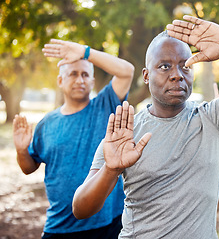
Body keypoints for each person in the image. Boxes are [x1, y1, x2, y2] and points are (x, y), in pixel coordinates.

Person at [72, 15, 219, 238]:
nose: (177, 75)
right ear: (146, 75)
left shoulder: (214, 116)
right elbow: (81, 209)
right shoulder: (125, 133)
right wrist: (111, 169)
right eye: (164, 66)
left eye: (186, 66)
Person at [12, 39, 134, 239]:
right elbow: (28, 168)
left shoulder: (104, 105)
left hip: (108, 225)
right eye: (73, 74)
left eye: (85, 74)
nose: (80, 80)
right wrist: (21, 150)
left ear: (93, 82)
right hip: (60, 227)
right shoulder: (47, 123)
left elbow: (126, 71)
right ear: (60, 81)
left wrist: (85, 53)